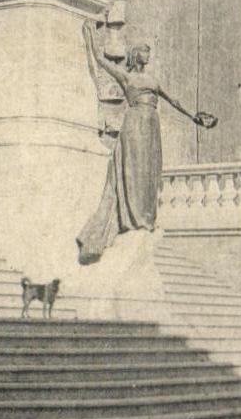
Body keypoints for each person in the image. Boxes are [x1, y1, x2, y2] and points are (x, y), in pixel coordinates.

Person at [77, 24, 216, 264]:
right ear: (135, 55)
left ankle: (146, 216)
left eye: (148, 52)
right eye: (144, 51)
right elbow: (100, 60)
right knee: (134, 168)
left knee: (149, 170)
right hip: (134, 123)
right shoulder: (127, 76)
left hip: (151, 123)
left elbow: (173, 100)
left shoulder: (152, 79)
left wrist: (193, 116)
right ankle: (134, 217)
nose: (148, 55)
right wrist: (90, 35)